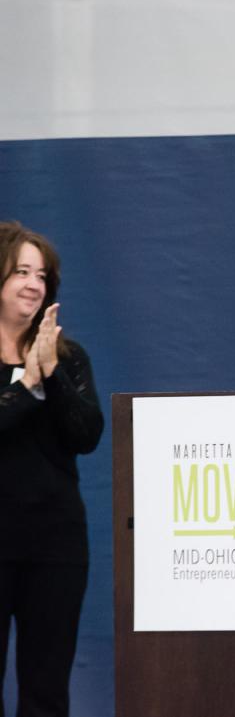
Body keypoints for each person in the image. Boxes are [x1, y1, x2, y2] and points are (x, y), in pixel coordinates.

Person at [0, 221, 104, 717]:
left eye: (42, 275)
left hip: (55, 546)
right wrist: (26, 385)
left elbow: (87, 435)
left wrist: (52, 373)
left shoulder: (69, 357)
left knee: (46, 692)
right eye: (21, 271)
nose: (33, 284)